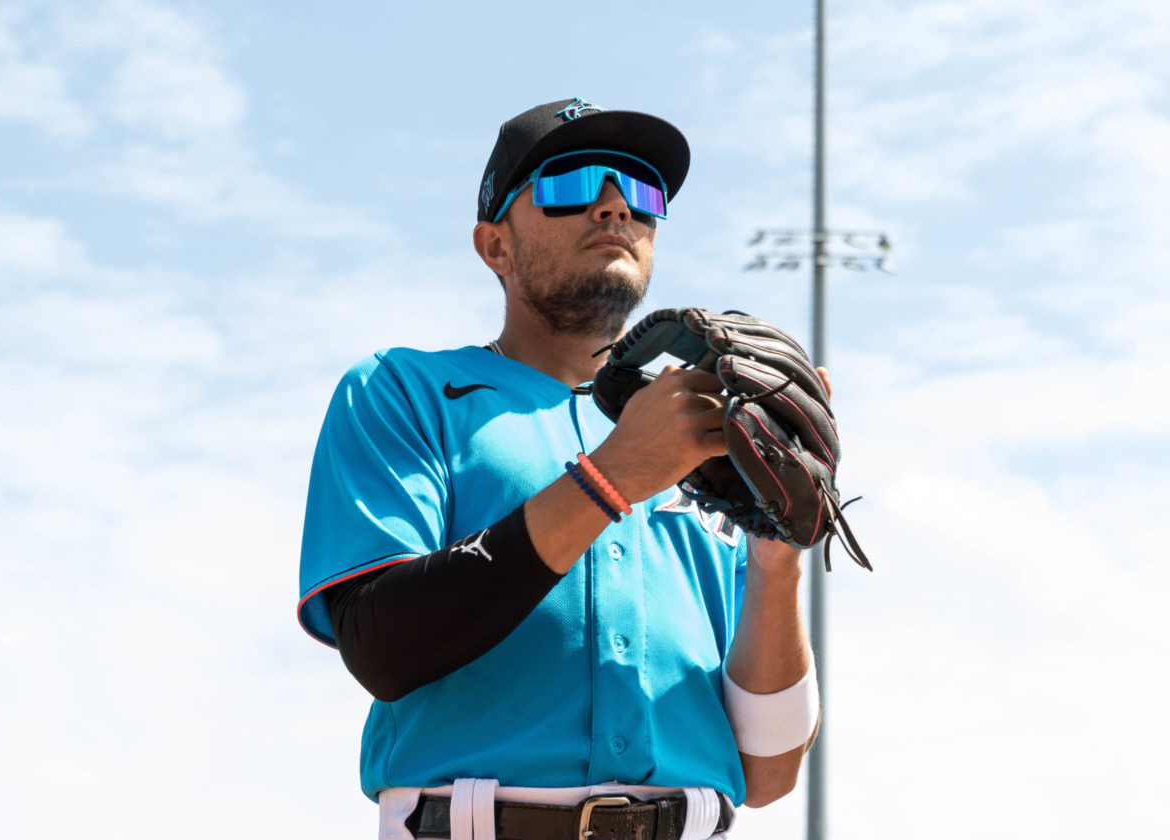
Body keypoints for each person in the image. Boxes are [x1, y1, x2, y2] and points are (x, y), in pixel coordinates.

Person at [298, 98, 823, 840]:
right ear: (495, 246)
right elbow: (383, 647)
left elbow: (768, 771)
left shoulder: (710, 437)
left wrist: (778, 559)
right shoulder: (405, 390)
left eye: (642, 192)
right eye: (571, 180)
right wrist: (610, 479)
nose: (614, 205)